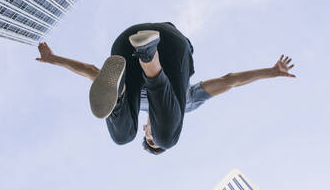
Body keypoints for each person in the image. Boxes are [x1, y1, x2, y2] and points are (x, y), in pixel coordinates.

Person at [36, 22, 296, 155]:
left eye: (149, 138)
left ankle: (120, 95)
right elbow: (230, 81)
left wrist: (54, 59)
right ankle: (150, 58)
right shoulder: (189, 103)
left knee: (122, 136)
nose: (152, 135)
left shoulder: (136, 114)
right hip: (172, 46)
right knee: (169, 138)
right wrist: (270, 72)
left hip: (125, 46)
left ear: (146, 129)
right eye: (153, 137)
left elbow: (93, 71)